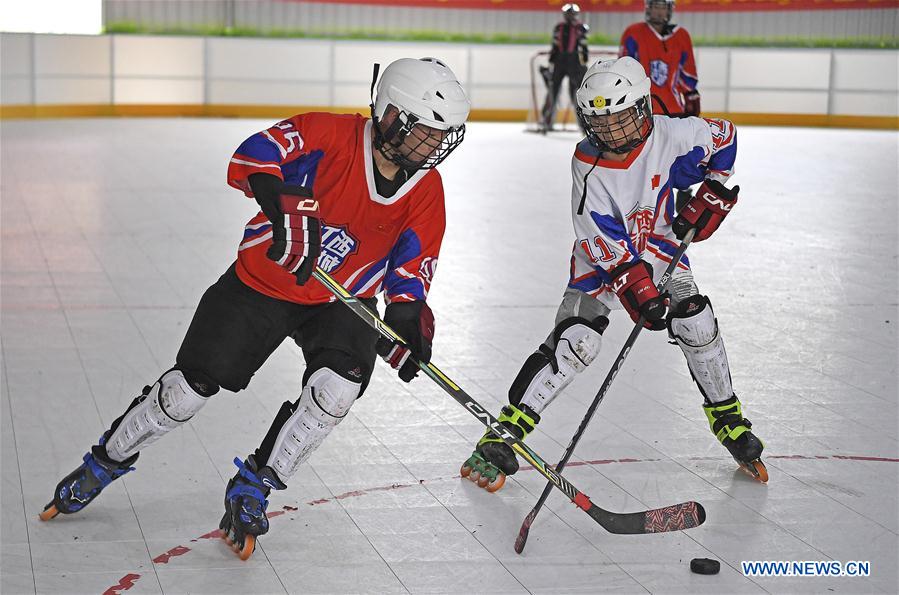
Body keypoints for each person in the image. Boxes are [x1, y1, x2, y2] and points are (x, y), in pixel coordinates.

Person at [38, 57, 471, 560]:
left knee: (339, 387)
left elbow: (412, 269)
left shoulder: (427, 189)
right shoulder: (327, 133)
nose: (434, 146)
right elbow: (254, 154)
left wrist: (406, 321)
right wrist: (279, 206)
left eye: (442, 135)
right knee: (186, 392)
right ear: (392, 114)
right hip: (262, 284)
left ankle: (256, 483)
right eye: (426, 133)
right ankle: (106, 459)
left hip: (340, 298)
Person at [461, 56, 766, 493]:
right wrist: (639, 291)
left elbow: (726, 137)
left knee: (695, 319)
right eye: (600, 122)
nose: (611, 131)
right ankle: (506, 431)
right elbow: (603, 242)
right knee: (576, 342)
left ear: (643, 107)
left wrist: (713, 192)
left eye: (621, 118)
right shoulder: (587, 165)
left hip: (661, 246)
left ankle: (728, 418)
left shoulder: (674, 133)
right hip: (602, 259)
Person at [541, 3, 590, 132]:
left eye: (572, 14)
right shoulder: (559, 27)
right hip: (559, 61)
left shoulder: (581, 28)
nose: (570, 16)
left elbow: (584, 47)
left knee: (576, 94)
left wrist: (584, 62)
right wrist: (551, 61)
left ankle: (583, 125)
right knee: (553, 91)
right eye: (568, 14)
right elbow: (555, 45)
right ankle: (547, 121)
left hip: (574, 62)